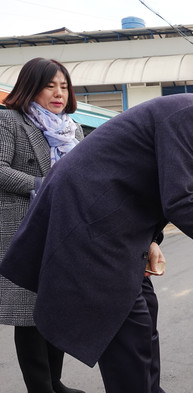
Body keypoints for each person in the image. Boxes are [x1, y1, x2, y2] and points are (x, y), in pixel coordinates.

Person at [0, 83, 193, 393]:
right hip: (91, 217)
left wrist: (151, 240)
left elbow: (156, 184)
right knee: (125, 320)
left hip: (114, 221)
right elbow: (180, 200)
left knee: (143, 313)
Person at [0, 58, 85, 393]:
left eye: (63, 86)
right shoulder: (9, 121)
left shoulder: (72, 128)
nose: (58, 93)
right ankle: (40, 387)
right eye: (50, 85)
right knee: (29, 313)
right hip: (23, 225)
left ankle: (55, 382)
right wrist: (40, 185)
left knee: (57, 306)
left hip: (63, 228)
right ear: (30, 86)